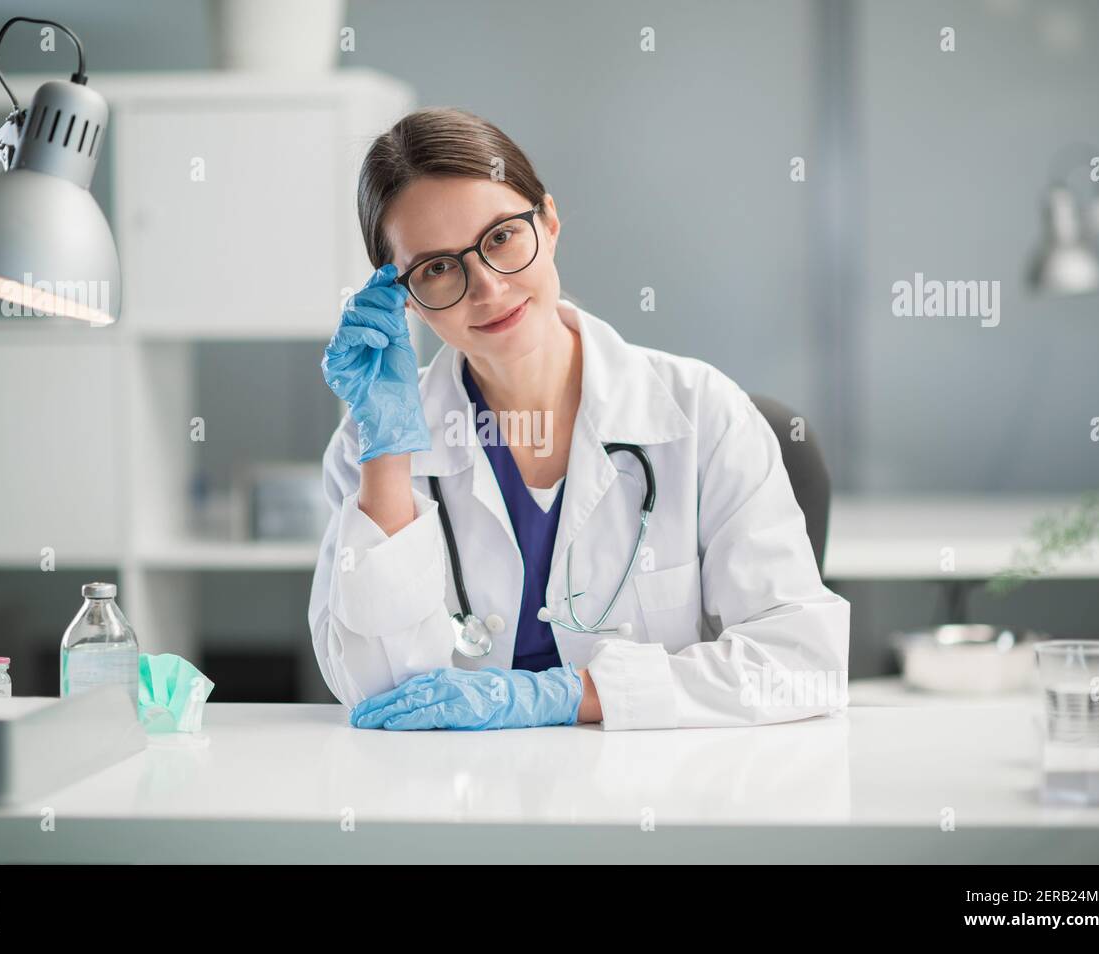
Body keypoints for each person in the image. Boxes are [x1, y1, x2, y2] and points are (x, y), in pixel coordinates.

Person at [309, 106, 849, 731]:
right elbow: (378, 697)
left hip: (658, 799)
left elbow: (804, 662)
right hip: (461, 804)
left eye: (502, 237)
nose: (486, 287)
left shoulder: (702, 414)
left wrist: (573, 695)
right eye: (436, 268)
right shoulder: (371, 444)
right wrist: (387, 454)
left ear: (550, 220)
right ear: (403, 299)